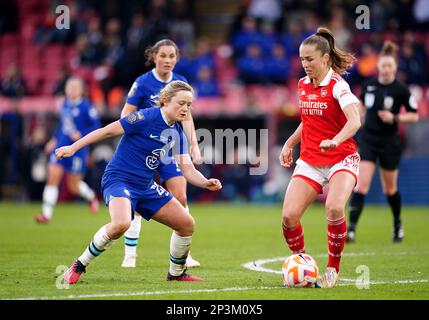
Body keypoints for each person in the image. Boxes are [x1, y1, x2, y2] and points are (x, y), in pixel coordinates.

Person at [56, 80, 222, 284]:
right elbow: (107, 131)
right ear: (166, 101)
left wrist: (206, 182)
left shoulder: (177, 132)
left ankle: (176, 273)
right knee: (121, 224)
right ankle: (79, 265)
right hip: (119, 180)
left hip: (145, 186)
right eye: (181, 103)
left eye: (189, 105)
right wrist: (73, 148)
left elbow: (187, 169)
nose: (185, 109)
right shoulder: (144, 117)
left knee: (186, 224)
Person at [279, 27, 361, 288]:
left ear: (325, 58)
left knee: (335, 207)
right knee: (289, 216)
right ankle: (300, 263)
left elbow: (355, 120)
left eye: (310, 59)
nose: (305, 65)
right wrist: (290, 143)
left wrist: (336, 140)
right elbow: (308, 120)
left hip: (342, 157)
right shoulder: (303, 85)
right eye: (302, 59)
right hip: (311, 160)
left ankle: (332, 270)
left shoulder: (338, 85)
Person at [120, 39, 202, 268]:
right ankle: (130, 254)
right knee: (135, 198)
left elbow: (187, 116)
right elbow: (127, 114)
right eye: (163, 56)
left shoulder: (181, 82)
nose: (168, 60)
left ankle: (185, 254)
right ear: (154, 57)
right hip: (143, 149)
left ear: (177, 58)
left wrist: (193, 145)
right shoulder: (142, 83)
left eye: (172, 56)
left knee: (181, 195)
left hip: (168, 150)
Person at [346, 41, 419, 243]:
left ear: (394, 68)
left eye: (390, 66)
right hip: (369, 140)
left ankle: (397, 225)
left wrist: (395, 118)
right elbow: (360, 107)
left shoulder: (401, 89)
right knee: (361, 186)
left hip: (389, 143)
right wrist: (356, 117)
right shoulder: (369, 86)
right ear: (378, 66)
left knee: (390, 189)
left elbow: (414, 116)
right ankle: (351, 230)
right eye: (383, 65)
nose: (386, 69)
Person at [35, 77, 101, 223]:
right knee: (52, 177)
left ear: (81, 90)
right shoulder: (64, 104)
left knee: (73, 185)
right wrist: (53, 139)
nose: (71, 90)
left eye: (75, 87)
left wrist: (81, 133)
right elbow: (63, 125)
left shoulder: (86, 107)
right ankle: (46, 214)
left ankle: (91, 197)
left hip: (78, 150)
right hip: (61, 146)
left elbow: (97, 127)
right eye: (69, 87)